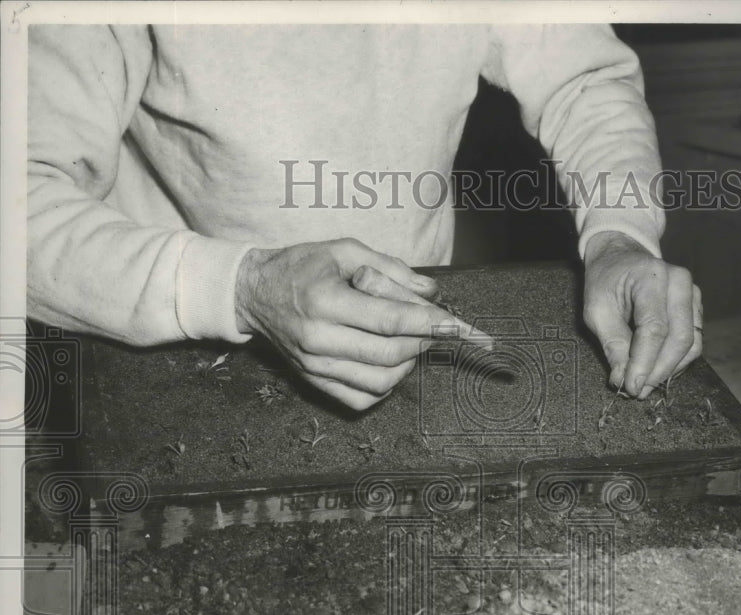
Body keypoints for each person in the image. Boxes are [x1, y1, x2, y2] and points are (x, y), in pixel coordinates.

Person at [28, 24, 702, 410]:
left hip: (409, 355)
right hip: (166, 354)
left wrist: (619, 231)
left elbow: (582, 81)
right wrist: (238, 287)